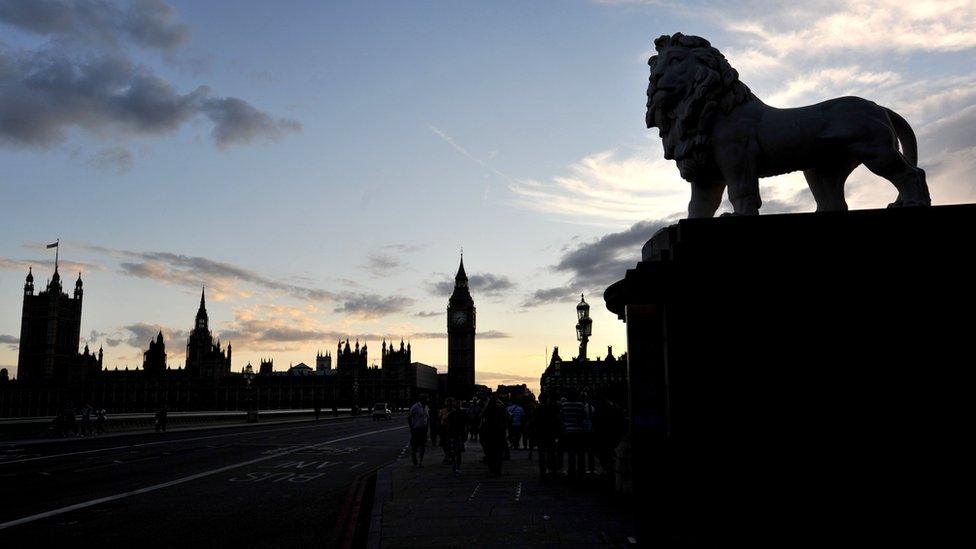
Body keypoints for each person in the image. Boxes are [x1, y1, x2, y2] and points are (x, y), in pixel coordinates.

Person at [559, 392, 586, 480]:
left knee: (571, 453)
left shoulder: (564, 405)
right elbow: (584, 417)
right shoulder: (581, 405)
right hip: (579, 431)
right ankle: (581, 471)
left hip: (568, 431)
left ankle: (571, 471)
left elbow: (561, 417)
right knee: (580, 452)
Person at [480, 394, 508, 477]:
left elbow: (482, 418)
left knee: (490, 452)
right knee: (498, 452)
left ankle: (492, 469)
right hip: (499, 432)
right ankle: (498, 470)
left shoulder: (487, 409)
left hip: (488, 433)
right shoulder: (501, 408)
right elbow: (506, 419)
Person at [534, 394, 560, 480]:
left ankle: (543, 472)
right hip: (550, 434)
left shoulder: (537, 409)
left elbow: (535, 422)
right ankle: (553, 471)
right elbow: (555, 421)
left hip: (540, 434)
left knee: (542, 454)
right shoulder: (551, 409)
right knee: (551, 453)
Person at [446, 398, 467, 474]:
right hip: (453, 435)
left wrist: (465, 435)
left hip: (459, 435)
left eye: (459, 404)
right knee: (454, 452)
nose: (458, 405)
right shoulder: (451, 414)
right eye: (457, 404)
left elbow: (465, 425)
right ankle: (455, 466)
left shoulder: (462, 413)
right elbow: (448, 425)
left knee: (458, 452)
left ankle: (457, 466)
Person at [407, 395, 429, 467]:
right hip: (416, 429)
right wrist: (411, 428)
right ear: (421, 399)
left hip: (423, 429)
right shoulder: (415, 407)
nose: (426, 401)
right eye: (425, 399)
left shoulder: (426, 407)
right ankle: (414, 459)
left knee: (423, 446)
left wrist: (427, 427)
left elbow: (426, 418)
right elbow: (409, 417)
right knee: (414, 446)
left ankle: (420, 462)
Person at [439, 399, 453, 464]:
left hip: (450, 429)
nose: (449, 404)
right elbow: (439, 418)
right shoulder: (443, 410)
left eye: (450, 403)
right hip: (443, 428)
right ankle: (446, 455)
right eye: (448, 403)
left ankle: (448, 456)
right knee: (443, 443)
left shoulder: (453, 411)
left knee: (449, 443)